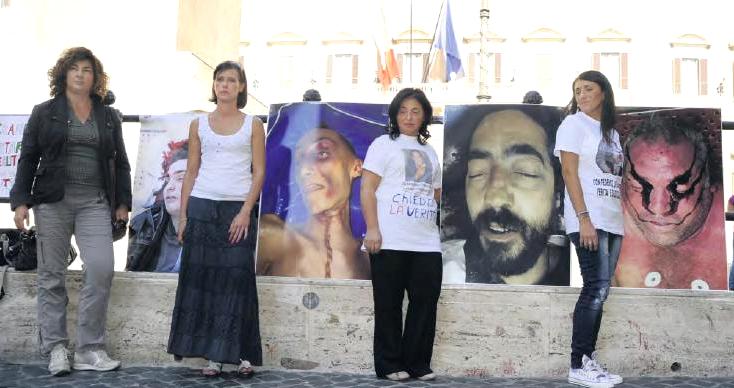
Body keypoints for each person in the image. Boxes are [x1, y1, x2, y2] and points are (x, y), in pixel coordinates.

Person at [10, 47, 131, 376]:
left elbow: (120, 161)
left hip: (94, 201)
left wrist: (122, 203)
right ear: (63, 73)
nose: (80, 74)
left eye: (87, 70)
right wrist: (20, 201)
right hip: (52, 201)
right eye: (74, 68)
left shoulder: (107, 116)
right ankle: (56, 348)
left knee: (102, 268)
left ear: (95, 78)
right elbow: (28, 158)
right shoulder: (44, 112)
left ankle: (90, 348)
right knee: (51, 276)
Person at [166, 60, 265, 377]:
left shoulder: (253, 124)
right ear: (214, 86)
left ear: (241, 87)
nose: (224, 85)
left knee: (237, 281)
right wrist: (183, 217)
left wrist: (245, 211)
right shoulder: (198, 125)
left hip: (236, 209)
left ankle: (243, 355)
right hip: (202, 208)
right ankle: (214, 356)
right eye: (219, 79)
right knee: (203, 282)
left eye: (231, 80)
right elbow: (191, 171)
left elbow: (259, 172)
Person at [361, 88, 442, 381]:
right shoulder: (382, 145)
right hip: (389, 238)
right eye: (404, 111)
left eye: (416, 111)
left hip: (426, 241)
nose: (409, 116)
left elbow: (435, 191)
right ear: (396, 115)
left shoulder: (430, 151)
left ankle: (417, 363)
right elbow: (367, 188)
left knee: (425, 302)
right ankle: (389, 364)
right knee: (388, 304)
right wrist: (372, 228)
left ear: (424, 116)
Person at [441, 108, 569, 285]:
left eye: (525, 172)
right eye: (477, 173)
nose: (495, 198)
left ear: (558, 195)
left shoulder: (583, 272)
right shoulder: (443, 273)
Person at [554, 70, 624, 388]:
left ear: (604, 94)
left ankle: (587, 360)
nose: (581, 95)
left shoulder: (612, 133)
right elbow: (569, 172)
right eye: (577, 90)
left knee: (601, 290)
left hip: (611, 220)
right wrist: (583, 218)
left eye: (588, 89)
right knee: (594, 287)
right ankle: (578, 363)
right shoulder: (573, 124)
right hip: (589, 219)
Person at [616, 114, 726, 290]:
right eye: (638, 187)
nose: (658, 208)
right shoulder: (603, 223)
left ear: (708, 184)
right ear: (621, 184)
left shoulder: (727, 228)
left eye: (680, 189)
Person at [257, 126, 370, 279]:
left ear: (356, 167)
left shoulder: (369, 257)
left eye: (322, 153)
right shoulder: (272, 237)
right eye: (298, 161)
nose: (304, 170)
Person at [127, 140, 188, 272]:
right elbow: (132, 274)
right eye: (167, 179)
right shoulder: (146, 222)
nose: (170, 187)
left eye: (180, 178)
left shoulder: (217, 228)